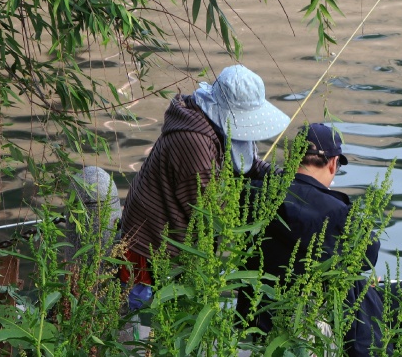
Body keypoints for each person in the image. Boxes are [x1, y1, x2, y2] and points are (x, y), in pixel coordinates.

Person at [246, 123, 402, 357]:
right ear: (333, 163)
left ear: (291, 157)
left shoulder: (253, 193)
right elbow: (365, 259)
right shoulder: (338, 212)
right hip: (322, 316)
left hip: (261, 315)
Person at [117, 64, 291, 290]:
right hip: (150, 246)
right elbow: (212, 211)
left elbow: (247, 163)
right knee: (142, 315)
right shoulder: (193, 141)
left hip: (178, 241)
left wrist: (285, 178)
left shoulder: (211, 120)